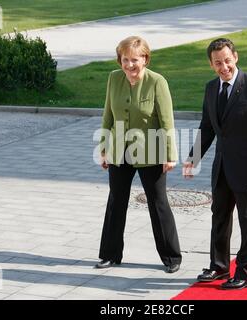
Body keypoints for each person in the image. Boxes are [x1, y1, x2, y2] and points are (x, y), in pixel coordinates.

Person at [183, 38, 247, 289]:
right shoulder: (210, 88)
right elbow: (207, 128)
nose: (224, 66)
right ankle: (218, 267)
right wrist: (193, 158)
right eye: (218, 63)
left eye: (227, 60)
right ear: (211, 64)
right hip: (222, 168)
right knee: (219, 217)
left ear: (236, 57)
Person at [96, 36, 182, 273]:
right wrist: (103, 149)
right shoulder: (114, 78)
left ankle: (171, 257)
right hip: (119, 151)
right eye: (125, 60)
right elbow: (108, 116)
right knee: (116, 201)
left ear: (145, 59)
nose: (129, 65)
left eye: (134, 60)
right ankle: (110, 255)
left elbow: (167, 121)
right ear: (119, 60)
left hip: (151, 151)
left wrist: (169, 154)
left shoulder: (157, 82)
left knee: (158, 203)